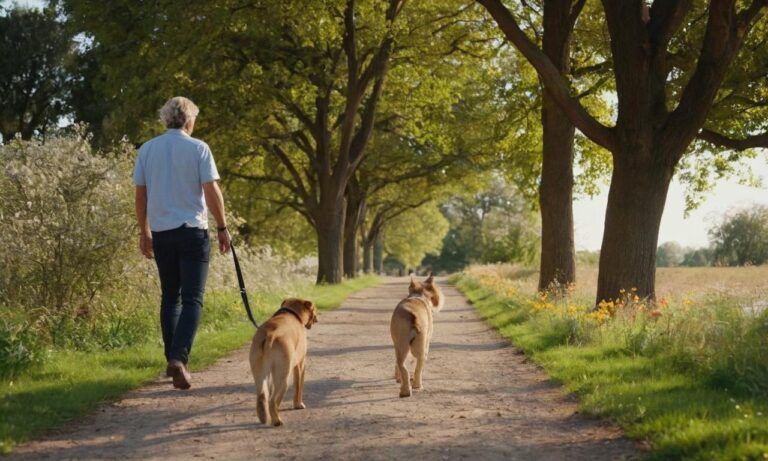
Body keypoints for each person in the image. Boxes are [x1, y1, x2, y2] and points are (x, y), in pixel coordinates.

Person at [133, 96, 231, 389]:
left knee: (170, 297)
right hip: (192, 232)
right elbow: (211, 191)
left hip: (162, 234)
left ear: (166, 119)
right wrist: (223, 227)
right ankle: (179, 358)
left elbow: (141, 195)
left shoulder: (147, 149)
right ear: (189, 120)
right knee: (192, 299)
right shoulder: (199, 148)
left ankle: (172, 359)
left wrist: (144, 231)